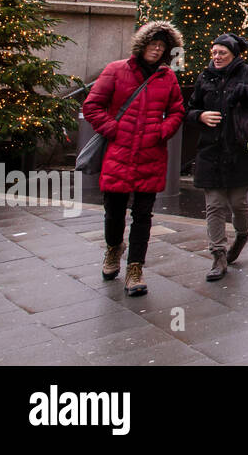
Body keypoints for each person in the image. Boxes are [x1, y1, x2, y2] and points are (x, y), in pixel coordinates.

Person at [82, 21, 186, 297]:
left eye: (162, 46)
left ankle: (135, 268)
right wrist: (113, 130)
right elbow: (92, 105)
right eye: (153, 44)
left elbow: (177, 111)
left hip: (151, 155)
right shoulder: (116, 70)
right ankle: (114, 248)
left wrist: (162, 131)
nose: (157, 49)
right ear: (142, 46)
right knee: (114, 212)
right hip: (119, 153)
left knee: (143, 216)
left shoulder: (168, 78)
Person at [186, 33, 248, 281]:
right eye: (214, 52)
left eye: (222, 52)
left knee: (237, 202)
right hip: (211, 149)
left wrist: (247, 94)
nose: (217, 57)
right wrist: (199, 116)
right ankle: (218, 254)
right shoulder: (205, 76)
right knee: (214, 204)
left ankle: (242, 234)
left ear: (234, 54)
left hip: (241, 149)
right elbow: (189, 109)